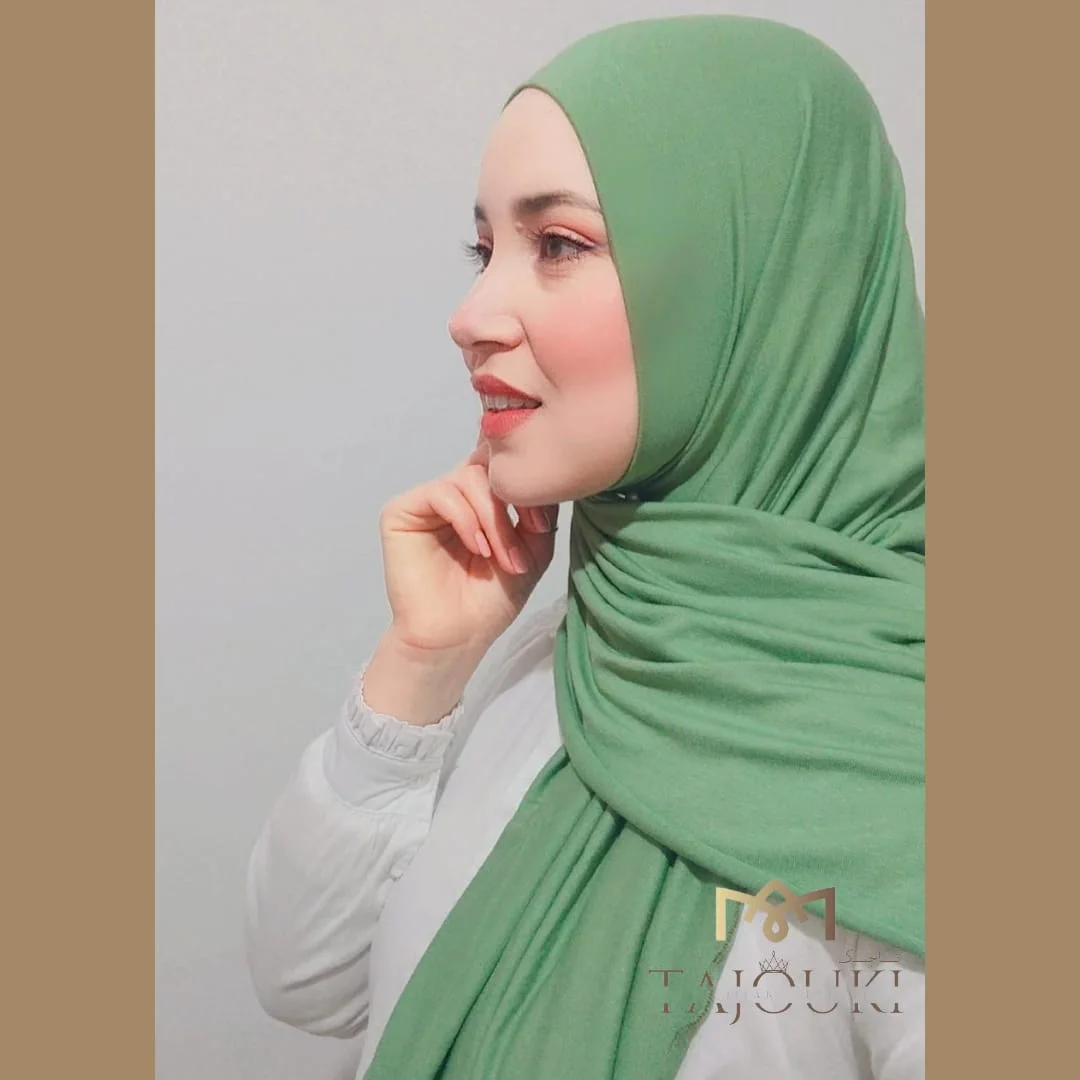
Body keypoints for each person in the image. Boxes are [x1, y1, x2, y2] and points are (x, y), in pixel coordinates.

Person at [245, 15, 925, 1079]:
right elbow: (308, 980)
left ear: (755, 286)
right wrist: (424, 665)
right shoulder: (566, 650)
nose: (471, 314)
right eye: (484, 251)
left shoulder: (912, 741)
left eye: (559, 244)